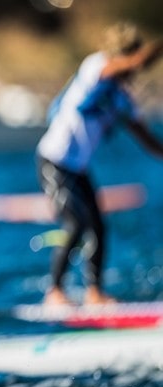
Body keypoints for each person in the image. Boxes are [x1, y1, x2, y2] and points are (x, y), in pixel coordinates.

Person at [35, 21, 163, 307]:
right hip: (53, 160)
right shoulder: (95, 67)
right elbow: (138, 60)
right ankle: (54, 292)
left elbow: (147, 139)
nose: (134, 71)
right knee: (76, 223)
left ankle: (94, 293)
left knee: (99, 227)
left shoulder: (121, 99)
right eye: (129, 63)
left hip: (77, 168)